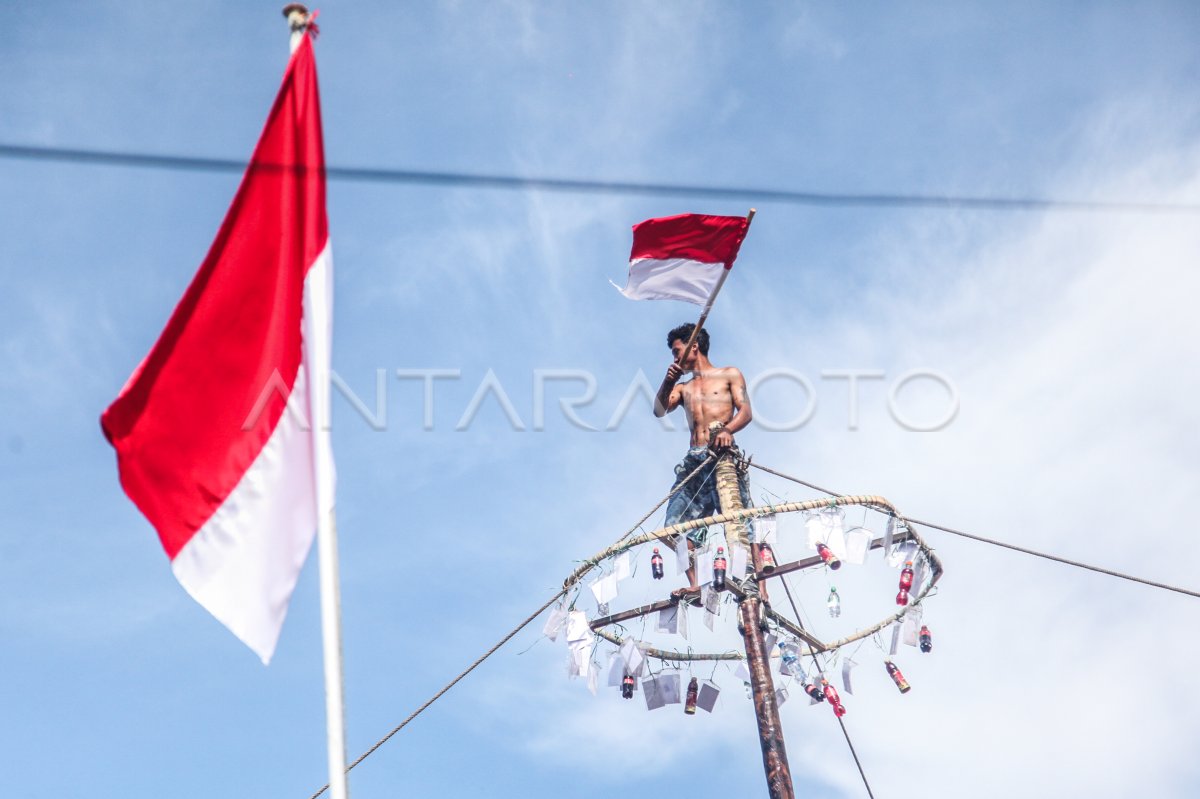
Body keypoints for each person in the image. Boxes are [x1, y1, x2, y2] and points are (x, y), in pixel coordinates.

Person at [654, 323, 764, 600]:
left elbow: (746, 412)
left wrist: (728, 430)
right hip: (694, 461)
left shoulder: (729, 374)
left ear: (693, 346)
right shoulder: (683, 388)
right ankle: (695, 584)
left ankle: (756, 584)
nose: (675, 358)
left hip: (722, 456)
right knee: (673, 527)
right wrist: (668, 379)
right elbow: (658, 409)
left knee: (739, 520)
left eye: (677, 351)